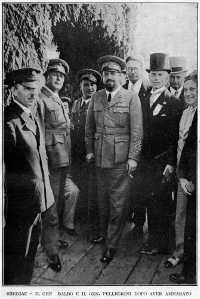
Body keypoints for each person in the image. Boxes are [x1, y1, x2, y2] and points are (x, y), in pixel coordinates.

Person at [85, 55, 143, 263]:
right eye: (106, 73)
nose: (109, 77)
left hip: (120, 161)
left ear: (121, 76)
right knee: (103, 202)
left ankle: (111, 245)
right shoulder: (96, 97)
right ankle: (105, 235)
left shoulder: (130, 98)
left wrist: (133, 157)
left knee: (118, 205)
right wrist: (89, 150)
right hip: (100, 160)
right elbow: (88, 129)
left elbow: (137, 132)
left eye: (113, 73)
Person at [4, 67, 55, 284]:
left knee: (29, 259)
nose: (33, 93)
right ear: (13, 90)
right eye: (27, 89)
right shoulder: (8, 123)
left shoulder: (33, 115)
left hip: (37, 202)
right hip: (18, 208)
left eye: (36, 89)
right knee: (15, 262)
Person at [136, 53, 182, 255]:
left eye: (160, 74)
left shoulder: (173, 102)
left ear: (167, 76)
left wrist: (171, 163)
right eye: (153, 74)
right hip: (146, 160)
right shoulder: (143, 98)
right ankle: (154, 240)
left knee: (162, 202)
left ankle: (161, 243)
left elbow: (175, 137)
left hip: (162, 162)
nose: (155, 78)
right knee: (149, 199)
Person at [40, 59, 79, 271]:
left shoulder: (58, 100)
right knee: (51, 208)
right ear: (47, 75)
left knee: (59, 203)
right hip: (51, 161)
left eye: (62, 76)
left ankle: (53, 240)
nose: (58, 78)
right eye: (54, 74)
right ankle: (52, 251)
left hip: (63, 160)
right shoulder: (41, 99)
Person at [164, 71, 197, 272]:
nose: (188, 93)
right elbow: (177, 142)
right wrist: (175, 167)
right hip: (181, 172)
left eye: (193, 89)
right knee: (180, 215)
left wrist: (189, 177)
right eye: (186, 90)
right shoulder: (186, 112)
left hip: (192, 174)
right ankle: (179, 253)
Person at [71, 68, 101, 240]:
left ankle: (94, 228)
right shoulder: (75, 104)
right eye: (86, 85)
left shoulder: (99, 104)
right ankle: (80, 220)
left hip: (91, 154)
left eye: (93, 85)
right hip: (77, 154)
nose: (89, 88)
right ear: (81, 86)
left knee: (92, 191)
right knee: (80, 185)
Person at [123, 55, 149, 234]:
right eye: (129, 68)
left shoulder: (148, 89)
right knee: (125, 182)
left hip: (143, 144)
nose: (132, 71)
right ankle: (125, 216)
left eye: (135, 68)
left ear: (141, 69)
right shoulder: (122, 88)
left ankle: (139, 223)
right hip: (123, 143)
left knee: (139, 184)